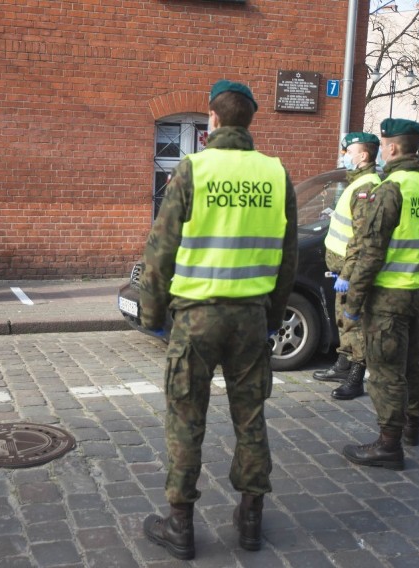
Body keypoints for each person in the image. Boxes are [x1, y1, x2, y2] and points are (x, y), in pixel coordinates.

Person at [139, 79, 297, 559]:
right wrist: (271, 316)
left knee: (186, 419)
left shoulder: (194, 169)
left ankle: (180, 525)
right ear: (250, 120)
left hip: (196, 319)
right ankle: (251, 522)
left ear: (212, 118)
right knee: (251, 418)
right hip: (250, 317)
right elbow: (286, 259)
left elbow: (161, 248)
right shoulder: (275, 174)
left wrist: (151, 312)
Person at [341, 118, 419, 470]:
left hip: (389, 295)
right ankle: (413, 423)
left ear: (391, 148)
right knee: (412, 361)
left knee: (386, 368)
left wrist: (354, 302)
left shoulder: (391, 188)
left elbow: (371, 250)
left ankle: (389, 445)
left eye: (385, 143)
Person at [313, 132, 381, 402]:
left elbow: (363, 237)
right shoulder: (355, 183)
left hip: (351, 270)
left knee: (356, 321)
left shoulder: (367, 186)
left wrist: (350, 272)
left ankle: (356, 376)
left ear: (363, 155)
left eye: (348, 151)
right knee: (343, 318)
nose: (344, 156)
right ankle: (343, 364)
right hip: (342, 268)